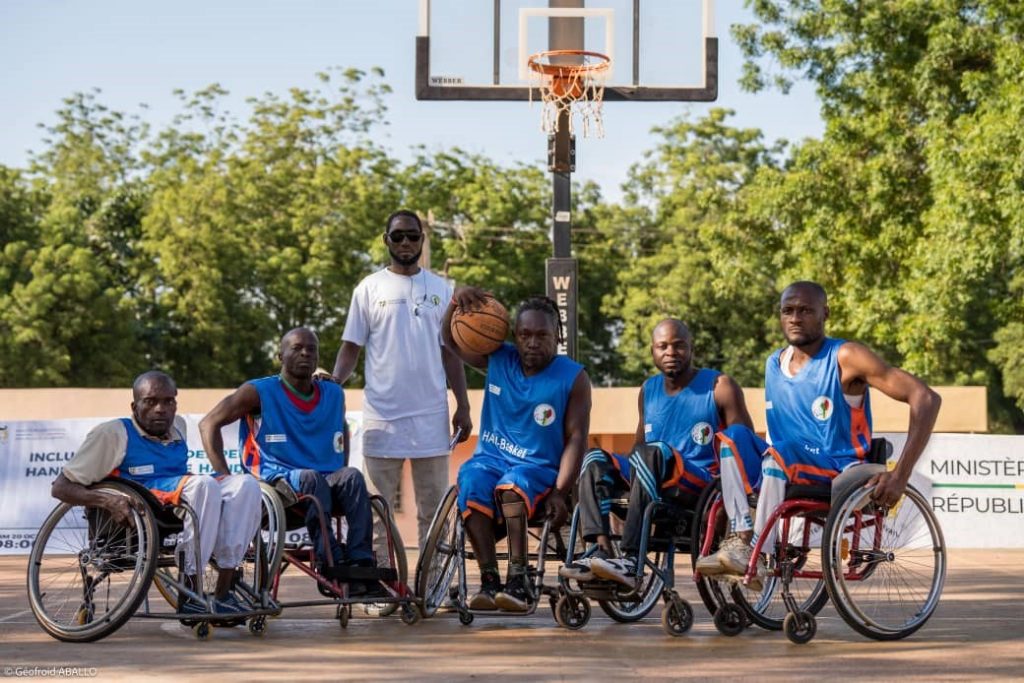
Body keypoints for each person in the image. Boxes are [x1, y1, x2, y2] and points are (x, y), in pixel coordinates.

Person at [695, 281, 941, 590]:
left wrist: (900, 475)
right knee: (731, 437)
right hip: (786, 462)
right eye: (788, 310)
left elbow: (926, 398)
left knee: (779, 452)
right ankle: (740, 539)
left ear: (824, 313)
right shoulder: (774, 363)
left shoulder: (846, 356)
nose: (795, 318)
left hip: (837, 469)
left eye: (805, 310)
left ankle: (757, 552)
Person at [558, 319, 757, 587]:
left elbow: (742, 446)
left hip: (699, 483)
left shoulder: (720, 386)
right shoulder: (648, 390)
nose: (670, 352)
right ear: (652, 351)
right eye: (662, 346)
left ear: (692, 349)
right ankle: (601, 550)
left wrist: (732, 503)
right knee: (593, 459)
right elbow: (638, 448)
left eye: (678, 346)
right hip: (652, 471)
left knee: (654, 451)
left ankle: (629, 558)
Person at [52, 371, 261, 615]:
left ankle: (225, 589)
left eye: (168, 401)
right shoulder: (113, 433)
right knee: (204, 485)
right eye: (151, 402)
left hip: (179, 498)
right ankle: (190, 589)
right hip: (143, 500)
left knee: (246, 485)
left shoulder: (179, 426)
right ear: (135, 406)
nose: (161, 409)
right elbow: (61, 487)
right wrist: (107, 500)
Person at [443, 290, 592, 612]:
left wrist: (561, 491)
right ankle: (489, 579)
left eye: (542, 335)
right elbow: (450, 343)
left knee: (511, 486)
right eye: (525, 335)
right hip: (490, 461)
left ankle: (519, 578)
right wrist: (454, 305)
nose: (532, 343)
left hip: (538, 468)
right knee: (470, 479)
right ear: (515, 336)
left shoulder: (574, 377)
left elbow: (577, 439)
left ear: (558, 336)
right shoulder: (499, 358)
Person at [331, 210, 472, 549]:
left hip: (431, 419)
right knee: (377, 513)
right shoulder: (368, 288)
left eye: (412, 235)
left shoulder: (443, 289)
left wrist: (463, 406)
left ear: (422, 240)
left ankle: (429, 594)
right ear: (386, 240)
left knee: (434, 513)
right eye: (398, 236)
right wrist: (331, 386)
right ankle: (384, 592)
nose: (405, 242)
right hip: (382, 419)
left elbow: (451, 354)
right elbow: (351, 347)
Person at [200, 327, 379, 592]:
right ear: (280, 355)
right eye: (297, 348)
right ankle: (328, 558)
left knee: (352, 476)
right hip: (274, 482)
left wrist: (339, 466)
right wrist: (224, 477)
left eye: (312, 349)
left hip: (321, 480)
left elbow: (341, 430)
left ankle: (361, 561)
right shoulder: (258, 392)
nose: (306, 353)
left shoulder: (332, 393)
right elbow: (208, 424)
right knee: (311, 478)